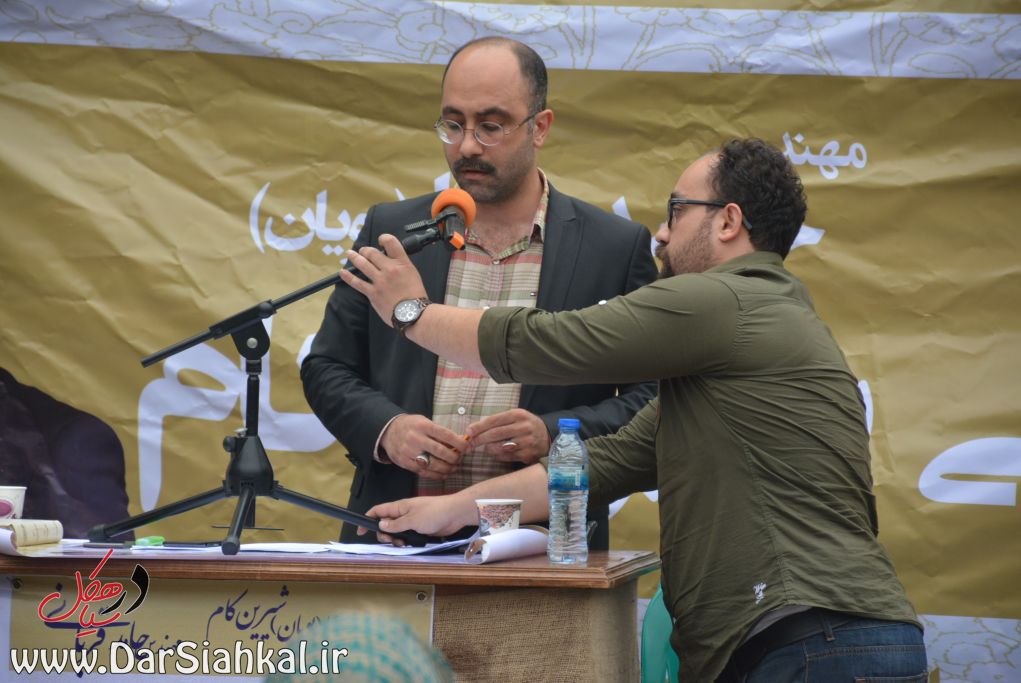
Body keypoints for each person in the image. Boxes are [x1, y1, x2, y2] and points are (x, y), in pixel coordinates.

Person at [338, 138, 929, 682]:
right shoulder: (752, 323)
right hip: (821, 640)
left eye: (677, 211)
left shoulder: (725, 299)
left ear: (729, 221)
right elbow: (596, 465)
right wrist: (446, 511)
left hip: (810, 641)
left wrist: (413, 314)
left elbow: (553, 342)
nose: (662, 236)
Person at [301, 37, 657, 546]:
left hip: (541, 547)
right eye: (453, 124)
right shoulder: (395, 231)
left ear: (540, 127)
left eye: (490, 126)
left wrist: (553, 432)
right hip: (396, 536)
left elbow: (653, 396)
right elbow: (327, 366)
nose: (467, 146)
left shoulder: (612, 247)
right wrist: (389, 429)